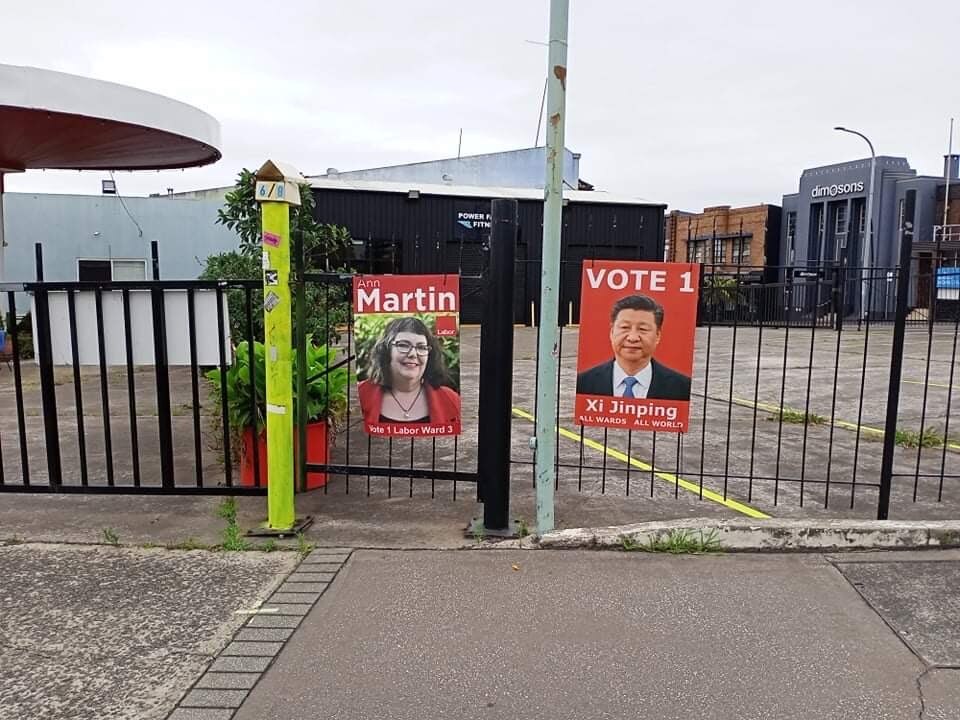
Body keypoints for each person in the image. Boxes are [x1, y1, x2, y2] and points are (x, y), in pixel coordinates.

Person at [576, 294, 691, 400]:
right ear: (612, 332)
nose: (633, 338)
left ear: (657, 335)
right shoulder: (584, 383)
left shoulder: (682, 387)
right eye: (625, 327)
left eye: (643, 329)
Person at [358, 316, 460, 425]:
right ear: (386, 351)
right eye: (403, 345)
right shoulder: (360, 394)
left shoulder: (452, 400)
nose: (413, 354)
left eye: (421, 347)